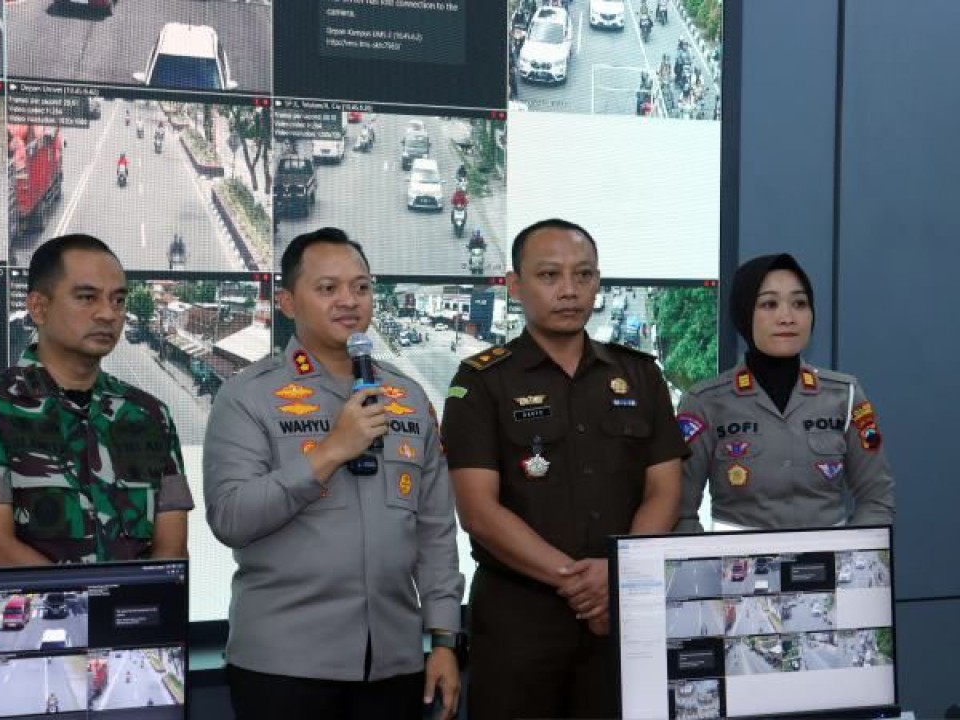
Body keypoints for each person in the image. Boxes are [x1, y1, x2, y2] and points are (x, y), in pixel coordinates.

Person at [204, 227, 463, 720]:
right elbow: (230, 517)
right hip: (284, 666)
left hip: (394, 663)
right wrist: (330, 452)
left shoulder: (406, 396)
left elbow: (434, 530)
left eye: (361, 287)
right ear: (286, 302)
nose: (349, 301)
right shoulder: (246, 397)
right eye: (328, 289)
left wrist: (446, 640)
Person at [441, 219, 687, 719]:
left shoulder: (639, 374)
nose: (570, 290)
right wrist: (583, 583)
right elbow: (478, 512)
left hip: (620, 619)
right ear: (515, 285)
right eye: (550, 276)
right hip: (519, 624)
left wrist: (617, 578)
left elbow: (664, 490)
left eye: (584, 275)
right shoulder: (481, 381)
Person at [0, 233, 193, 564]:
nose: (108, 314)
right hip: (36, 616)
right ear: (38, 308)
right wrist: (91, 608)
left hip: (135, 614)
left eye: (118, 300)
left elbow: (172, 552)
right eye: (87, 298)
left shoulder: (151, 416)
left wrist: (130, 609)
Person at [675, 254, 894, 532]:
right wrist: (708, 568)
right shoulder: (705, 402)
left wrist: (850, 560)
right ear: (743, 312)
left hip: (830, 568)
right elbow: (679, 511)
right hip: (736, 570)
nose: (787, 317)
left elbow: (876, 498)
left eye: (799, 303)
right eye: (769, 304)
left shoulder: (845, 395)